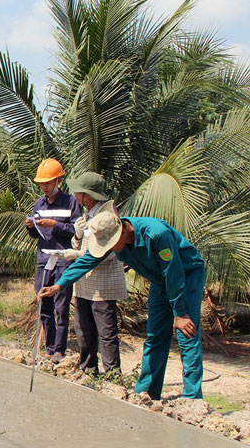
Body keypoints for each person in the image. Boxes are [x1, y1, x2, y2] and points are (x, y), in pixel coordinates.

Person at [38, 212, 205, 400]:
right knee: (156, 334)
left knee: (187, 332)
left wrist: (180, 313)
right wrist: (58, 285)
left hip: (186, 275)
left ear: (123, 231)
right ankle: (147, 393)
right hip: (159, 280)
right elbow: (88, 260)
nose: (109, 249)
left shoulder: (156, 234)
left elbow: (173, 272)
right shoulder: (113, 238)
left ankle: (192, 398)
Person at [63, 172, 127, 374]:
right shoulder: (86, 215)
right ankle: (88, 370)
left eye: (78, 193)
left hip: (102, 285)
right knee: (84, 331)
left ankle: (112, 376)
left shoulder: (106, 218)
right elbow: (79, 243)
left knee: (106, 333)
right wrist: (77, 235)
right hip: (83, 284)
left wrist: (78, 254)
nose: (74, 196)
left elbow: (106, 253)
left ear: (87, 196)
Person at [26, 158, 81, 363]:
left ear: (58, 180)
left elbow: (75, 231)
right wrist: (31, 227)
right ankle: (49, 348)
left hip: (63, 260)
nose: (44, 187)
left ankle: (59, 350)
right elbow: (37, 235)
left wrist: (54, 224)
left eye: (48, 183)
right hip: (43, 259)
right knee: (44, 305)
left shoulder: (71, 203)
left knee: (61, 306)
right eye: (41, 183)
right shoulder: (38, 204)